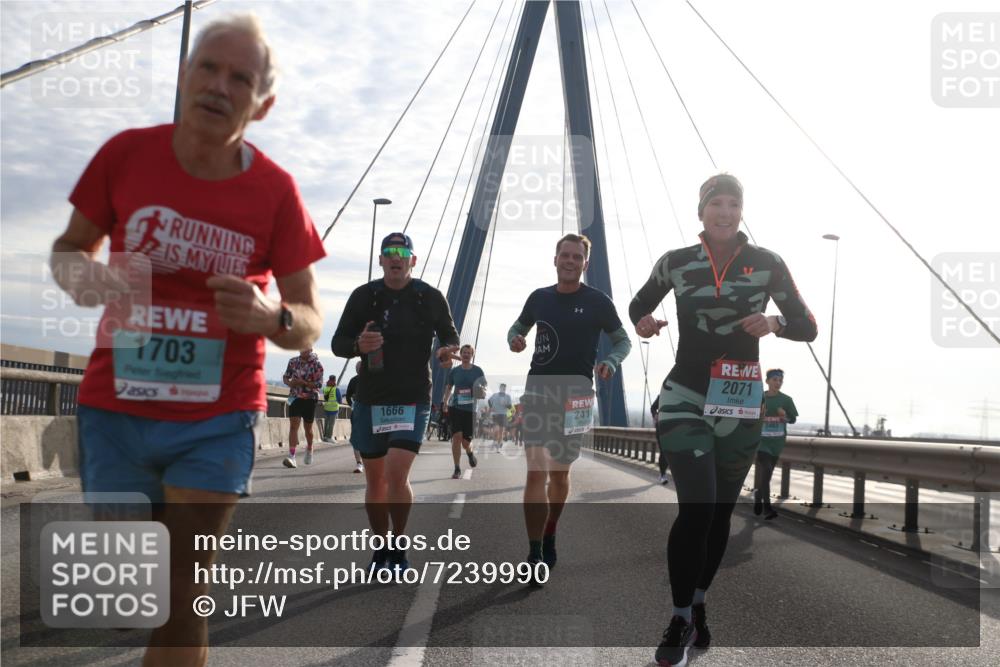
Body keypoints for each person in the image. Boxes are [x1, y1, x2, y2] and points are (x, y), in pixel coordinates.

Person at [48, 14, 325, 667]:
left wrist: (273, 317)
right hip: (115, 408)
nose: (219, 86)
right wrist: (85, 276)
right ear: (183, 75)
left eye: (241, 78)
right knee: (129, 594)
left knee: (181, 590)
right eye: (209, 68)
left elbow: (311, 317)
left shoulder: (277, 191)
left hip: (216, 416)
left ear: (262, 104)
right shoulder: (125, 155)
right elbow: (69, 249)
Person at [630, 174, 816, 666]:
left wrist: (774, 322)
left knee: (717, 515)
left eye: (734, 204)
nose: (725, 212)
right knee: (696, 508)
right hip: (684, 395)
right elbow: (638, 305)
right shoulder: (676, 262)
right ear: (702, 211)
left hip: (740, 402)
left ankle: (697, 604)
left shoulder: (768, 263)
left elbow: (808, 325)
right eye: (717, 203)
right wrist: (644, 323)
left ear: (742, 211)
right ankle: (678, 618)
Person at [332, 232, 460, 572]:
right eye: (389, 252)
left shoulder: (428, 296)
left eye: (402, 253)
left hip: (412, 397)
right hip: (371, 398)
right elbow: (338, 342)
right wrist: (358, 345)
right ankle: (381, 547)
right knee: (376, 482)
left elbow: (449, 334)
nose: (395, 257)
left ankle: (399, 545)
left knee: (396, 473)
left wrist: (447, 351)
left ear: (412, 260)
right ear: (381, 260)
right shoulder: (364, 296)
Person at [508, 233, 632, 583]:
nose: (570, 261)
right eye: (565, 255)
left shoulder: (598, 302)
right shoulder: (539, 298)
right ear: (555, 259)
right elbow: (517, 328)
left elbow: (623, 341)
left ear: (585, 264)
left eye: (577, 257)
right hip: (538, 391)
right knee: (536, 473)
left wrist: (611, 361)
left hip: (576, 396)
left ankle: (550, 531)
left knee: (560, 475)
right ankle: (534, 552)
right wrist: (515, 339)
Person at [755, 368, 798, 520]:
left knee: (767, 474)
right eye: (775, 380)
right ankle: (767, 508)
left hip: (777, 443)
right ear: (767, 381)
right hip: (761, 442)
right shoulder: (759, 398)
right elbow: (749, 415)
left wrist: (785, 416)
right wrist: (760, 414)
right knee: (766, 469)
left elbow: (793, 420)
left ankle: (758, 495)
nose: (778, 383)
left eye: (780, 380)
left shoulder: (786, 400)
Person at [441, 344, 487, 479]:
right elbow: (449, 387)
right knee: (456, 438)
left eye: (469, 353)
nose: (466, 355)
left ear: (472, 355)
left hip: (470, 410)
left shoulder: (478, 371)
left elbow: (484, 388)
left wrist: (481, 391)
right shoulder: (455, 371)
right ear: (460, 355)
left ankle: (470, 453)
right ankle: (457, 468)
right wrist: (445, 402)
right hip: (456, 408)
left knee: (465, 443)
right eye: (464, 352)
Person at [282, 349, 323, 467]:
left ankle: (310, 447)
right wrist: (290, 383)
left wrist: (303, 383)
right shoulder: (293, 362)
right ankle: (292, 456)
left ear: (310, 349)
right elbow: (286, 377)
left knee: (308, 429)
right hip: (295, 397)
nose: (302, 350)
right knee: (293, 426)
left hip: (310, 399)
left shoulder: (317, 364)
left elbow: (319, 384)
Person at [343, 361, 365, 473]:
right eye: (357, 368)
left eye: (360, 367)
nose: (359, 369)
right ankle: (359, 463)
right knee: (356, 438)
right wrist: (352, 405)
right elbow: (348, 396)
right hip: (356, 413)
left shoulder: (373, 380)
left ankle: (368, 461)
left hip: (371, 414)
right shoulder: (353, 380)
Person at [487, 384, 513, 451]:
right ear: (499, 388)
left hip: (503, 414)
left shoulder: (508, 396)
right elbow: (489, 401)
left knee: (501, 431)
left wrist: (505, 404)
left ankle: (498, 446)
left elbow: (510, 407)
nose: (503, 389)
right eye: (502, 388)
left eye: (504, 388)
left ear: (505, 389)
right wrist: (491, 407)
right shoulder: (495, 395)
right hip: (495, 414)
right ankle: (495, 441)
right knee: (496, 430)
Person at [650, 396, 669, 484]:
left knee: (670, 452)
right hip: (661, 428)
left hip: (675, 430)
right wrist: (655, 415)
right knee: (664, 451)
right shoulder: (662, 395)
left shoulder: (680, 395)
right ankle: (662, 475)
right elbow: (653, 408)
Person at [321, 374, 342, 443]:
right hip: (334, 409)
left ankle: (325, 436)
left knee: (326, 423)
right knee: (331, 424)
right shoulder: (336, 389)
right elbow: (340, 401)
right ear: (334, 380)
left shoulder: (325, 388)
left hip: (326, 408)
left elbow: (325, 397)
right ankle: (329, 437)